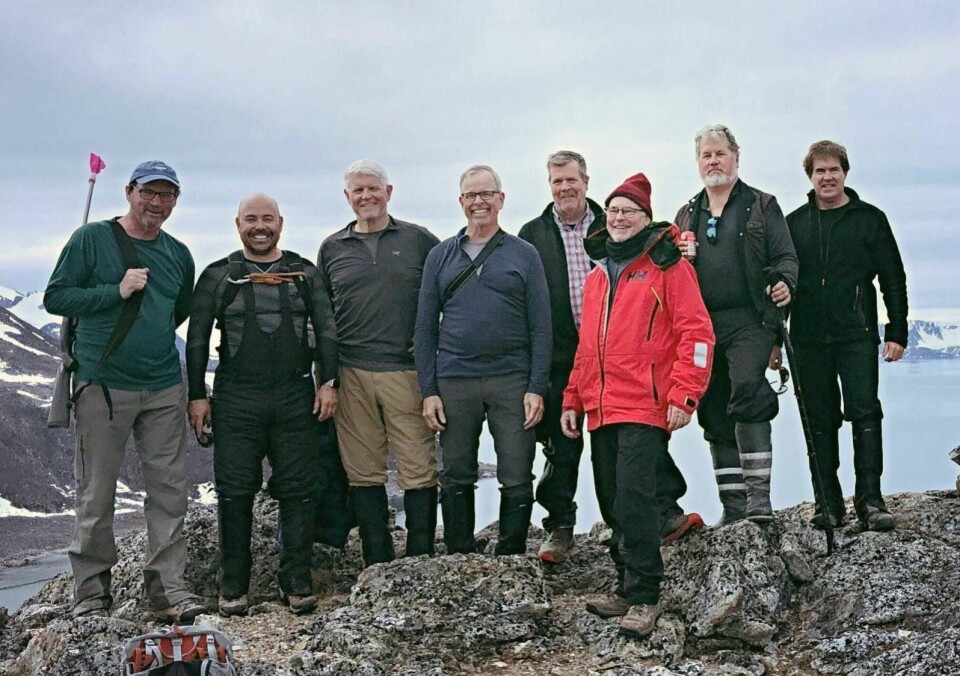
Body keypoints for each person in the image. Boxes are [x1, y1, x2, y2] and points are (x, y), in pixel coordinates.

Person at [44, 160, 204, 622]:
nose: (156, 202)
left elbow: (176, 311)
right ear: (130, 191)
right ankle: (92, 593)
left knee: (169, 491)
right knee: (96, 492)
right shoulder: (91, 239)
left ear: (176, 200)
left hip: (163, 387)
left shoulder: (178, 254)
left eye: (166, 195)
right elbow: (57, 297)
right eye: (148, 192)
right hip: (102, 385)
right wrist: (115, 292)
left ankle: (168, 589)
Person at [562, 172, 714, 637]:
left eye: (629, 211)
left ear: (646, 218)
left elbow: (697, 334)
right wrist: (572, 397)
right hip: (600, 406)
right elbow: (586, 347)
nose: (619, 218)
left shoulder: (668, 268)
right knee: (610, 499)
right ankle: (625, 586)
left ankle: (646, 595)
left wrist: (685, 394)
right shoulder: (597, 276)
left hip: (646, 405)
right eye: (613, 211)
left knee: (635, 498)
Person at [186, 193, 339, 615]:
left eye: (267, 219)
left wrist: (329, 383)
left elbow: (327, 329)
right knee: (234, 492)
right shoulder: (219, 275)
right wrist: (196, 395)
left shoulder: (304, 274)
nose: (260, 227)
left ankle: (297, 581)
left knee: (298, 490)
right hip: (236, 398)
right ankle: (233, 586)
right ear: (238, 225)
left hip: (294, 396)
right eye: (251, 219)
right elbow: (197, 337)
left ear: (280, 223)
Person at [414, 165, 552, 556]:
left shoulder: (524, 254)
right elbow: (424, 327)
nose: (479, 202)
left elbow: (541, 326)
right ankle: (460, 554)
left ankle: (511, 555)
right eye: (471, 195)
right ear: (461, 202)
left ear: (501, 199)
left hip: (512, 378)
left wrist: (536, 387)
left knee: (516, 472)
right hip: (455, 378)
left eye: (487, 194)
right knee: (456, 472)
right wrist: (429, 390)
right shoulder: (440, 256)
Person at [318, 160, 441, 566]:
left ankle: (420, 558)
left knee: (418, 467)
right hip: (351, 371)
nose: (366, 196)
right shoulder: (332, 248)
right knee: (363, 470)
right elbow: (323, 316)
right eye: (358, 190)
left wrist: (437, 342)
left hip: (407, 372)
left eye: (373, 188)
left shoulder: (420, 240)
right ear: (347, 197)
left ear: (389, 192)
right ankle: (377, 562)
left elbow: (449, 293)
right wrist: (327, 378)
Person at [675, 124, 798, 524]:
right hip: (701, 327)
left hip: (751, 320)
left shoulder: (762, 205)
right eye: (706, 155)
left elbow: (786, 257)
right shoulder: (686, 214)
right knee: (713, 406)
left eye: (720, 153)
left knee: (748, 390)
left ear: (736, 158)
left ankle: (758, 500)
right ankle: (733, 506)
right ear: (698, 162)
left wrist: (785, 282)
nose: (713, 161)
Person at [783, 140, 907, 531]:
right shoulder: (794, 224)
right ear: (810, 177)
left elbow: (892, 278)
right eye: (819, 171)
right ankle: (828, 504)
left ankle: (870, 501)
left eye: (833, 169)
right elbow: (781, 283)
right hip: (807, 339)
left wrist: (897, 331)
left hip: (857, 334)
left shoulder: (870, 219)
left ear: (845, 173)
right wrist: (774, 340)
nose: (827, 177)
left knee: (865, 412)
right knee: (819, 420)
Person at [518, 150, 606, 563]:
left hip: (611, 353)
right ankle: (560, 526)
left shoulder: (614, 223)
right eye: (557, 181)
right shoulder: (531, 235)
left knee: (620, 443)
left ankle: (637, 519)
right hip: (557, 356)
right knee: (560, 446)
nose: (565, 187)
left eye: (572, 180)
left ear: (586, 182)